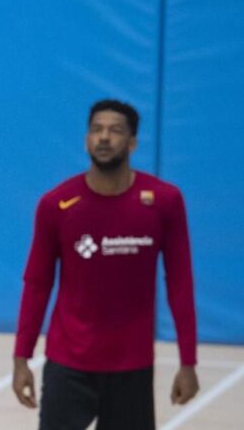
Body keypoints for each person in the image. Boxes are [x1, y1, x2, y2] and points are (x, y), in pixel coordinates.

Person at [11, 99, 199, 430]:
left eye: (115, 131)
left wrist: (188, 361)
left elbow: (180, 281)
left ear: (132, 142)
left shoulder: (164, 202)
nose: (104, 138)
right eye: (96, 130)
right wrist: (21, 357)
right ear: (86, 140)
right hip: (68, 362)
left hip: (132, 367)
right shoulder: (57, 205)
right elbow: (37, 283)